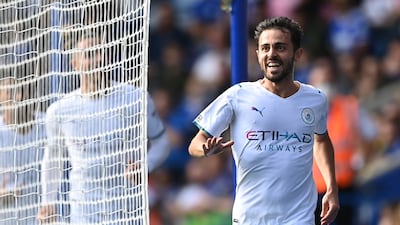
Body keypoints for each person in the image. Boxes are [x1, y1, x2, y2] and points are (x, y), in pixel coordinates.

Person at [188, 16, 340, 225]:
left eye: (280, 47)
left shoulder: (315, 99)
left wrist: (331, 187)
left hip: (298, 217)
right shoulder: (237, 96)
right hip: (250, 218)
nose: (272, 54)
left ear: (298, 54)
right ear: (258, 54)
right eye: (266, 48)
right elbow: (195, 143)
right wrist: (205, 149)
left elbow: (321, 140)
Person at [37, 33, 171, 225]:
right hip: (84, 210)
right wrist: (47, 202)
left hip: (128, 208)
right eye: (90, 54)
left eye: (101, 52)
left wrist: (146, 165)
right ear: (75, 64)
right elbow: (53, 159)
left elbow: (162, 142)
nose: (98, 59)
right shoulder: (59, 111)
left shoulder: (134, 98)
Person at [0, 77, 46, 225]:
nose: (18, 97)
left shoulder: (46, 124)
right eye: (10, 93)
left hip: (44, 216)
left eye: (20, 91)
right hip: (9, 218)